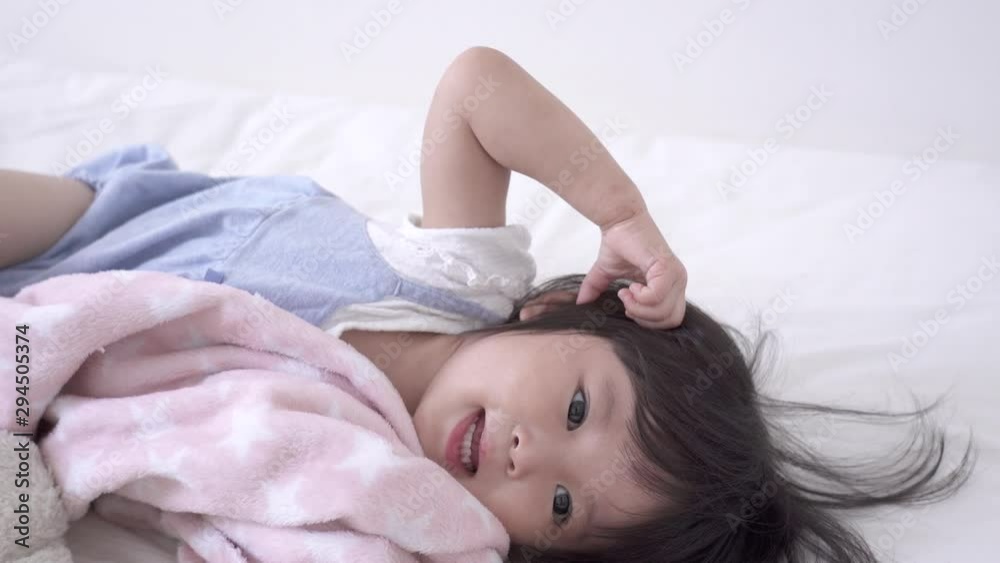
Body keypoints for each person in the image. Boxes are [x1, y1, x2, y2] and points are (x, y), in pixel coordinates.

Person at [0, 47, 972, 562]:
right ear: (555, 313)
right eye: (578, 407)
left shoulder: (374, 474)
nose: (527, 454)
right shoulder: (459, 281)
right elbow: (475, 87)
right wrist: (619, 210)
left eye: (561, 504)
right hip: (114, 219)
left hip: (72, 350)